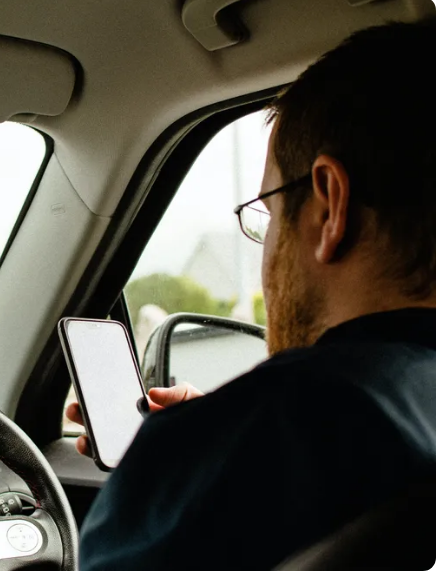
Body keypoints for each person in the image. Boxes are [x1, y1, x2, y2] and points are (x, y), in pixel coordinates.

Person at [70, 20, 436, 570]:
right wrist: (222, 432)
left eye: (267, 212)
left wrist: (201, 446)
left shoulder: (270, 435)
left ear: (330, 204)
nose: (266, 249)